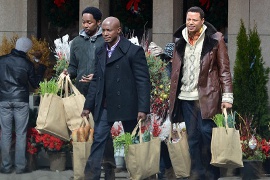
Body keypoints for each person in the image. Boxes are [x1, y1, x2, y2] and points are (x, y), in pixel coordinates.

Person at [81, 16, 151, 180]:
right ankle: (92, 176)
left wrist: (143, 108)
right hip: (106, 104)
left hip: (128, 104)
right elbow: (96, 81)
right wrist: (88, 105)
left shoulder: (133, 51)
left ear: (118, 30)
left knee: (132, 142)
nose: (105, 34)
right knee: (99, 139)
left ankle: (139, 175)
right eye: (103, 30)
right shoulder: (100, 51)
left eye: (108, 30)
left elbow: (143, 81)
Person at [169, 6, 233, 180]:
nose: (190, 23)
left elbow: (224, 69)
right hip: (185, 96)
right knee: (192, 138)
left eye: (194, 20)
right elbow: (176, 70)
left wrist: (227, 96)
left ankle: (211, 174)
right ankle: (197, 174)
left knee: (207, 134)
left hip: (208, 96)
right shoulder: (179, 40)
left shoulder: (215, 39)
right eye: (188, 20)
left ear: (202, 21)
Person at [0, 37, 46, 174]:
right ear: (27, 49)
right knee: (21, 134)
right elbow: (36, 84)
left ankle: (6, 166)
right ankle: (20, 167)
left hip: (3, 100)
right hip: (20, 100)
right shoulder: (27, 64)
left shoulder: (1, 60)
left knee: (5, 133)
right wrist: (41, 67)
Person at [66, 6, 104, 96]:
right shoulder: (76, 42)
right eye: (83, 22)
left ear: (98, 22)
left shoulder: (105, 40)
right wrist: (68, 73)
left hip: (101, 91)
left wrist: (96, 77)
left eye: (89, 22)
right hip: (81, 92)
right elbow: (73, 66)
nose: (85, 25)